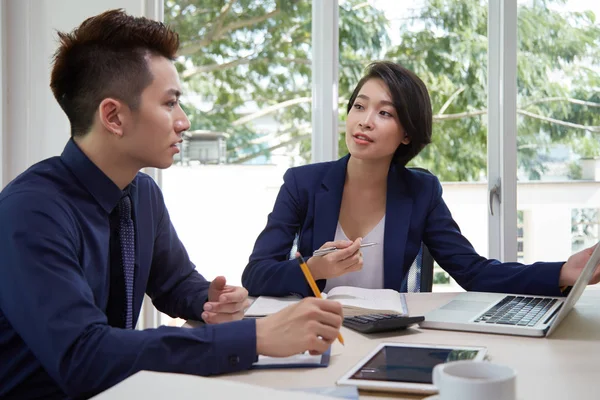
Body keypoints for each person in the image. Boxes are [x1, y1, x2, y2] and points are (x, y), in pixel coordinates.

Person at [0, 10, 343, 400]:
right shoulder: (29, 213)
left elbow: (174, 283)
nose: (184, 121)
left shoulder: (141, 194)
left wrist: (207, 300)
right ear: (113, 116)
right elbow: (84, 357)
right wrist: (254, 336)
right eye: (170, 103)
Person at [242, 61, 600, 298]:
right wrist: (313, 268)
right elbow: (256, 274)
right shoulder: (302, 183)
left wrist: (563, 272)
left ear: (407, 134)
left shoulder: (421, 192)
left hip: (383, 338)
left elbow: (473, 272)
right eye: (359, 106)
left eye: (385, 113)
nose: (365, 121)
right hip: (311, 335)